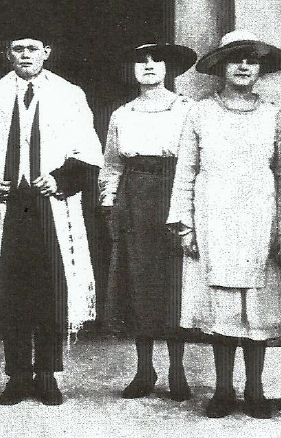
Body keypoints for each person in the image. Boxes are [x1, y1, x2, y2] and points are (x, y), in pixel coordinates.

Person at [0, 28, 103, 406]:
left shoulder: (69, 95)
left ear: (47, 52)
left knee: (51, 291)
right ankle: (18, 374)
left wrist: (59, 178)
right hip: (7, 210)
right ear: (8, 53)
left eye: (32, 49)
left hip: (51, 208)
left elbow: (89, 151)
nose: (25, 55)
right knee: (11, 291)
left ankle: (48, 375)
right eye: (17, 48)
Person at [167, 30, 281, 419]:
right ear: (221, 67)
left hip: (259, 218)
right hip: (214, 218)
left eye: (251, 61)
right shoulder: (200, 112)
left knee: (255, 308)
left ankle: (255, 390)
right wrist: (184, 225)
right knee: (222, 307)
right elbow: (186, 171)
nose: (243, 66)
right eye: (235, 59)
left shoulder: (275, 113)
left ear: (259, 69)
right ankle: (224, 390)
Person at [99, 41, 197, 401]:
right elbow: (112, 164)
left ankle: (177, 369)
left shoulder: (188, 109)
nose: (150, 66)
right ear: (132, 70)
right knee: (138, 280)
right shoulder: (122, 114)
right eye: (141, 61)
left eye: (157, 60)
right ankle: (144, 369)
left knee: (173, 282)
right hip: (134, 198)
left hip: (173, 192)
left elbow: (195, 162)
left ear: (170, 68)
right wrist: (109, 201)